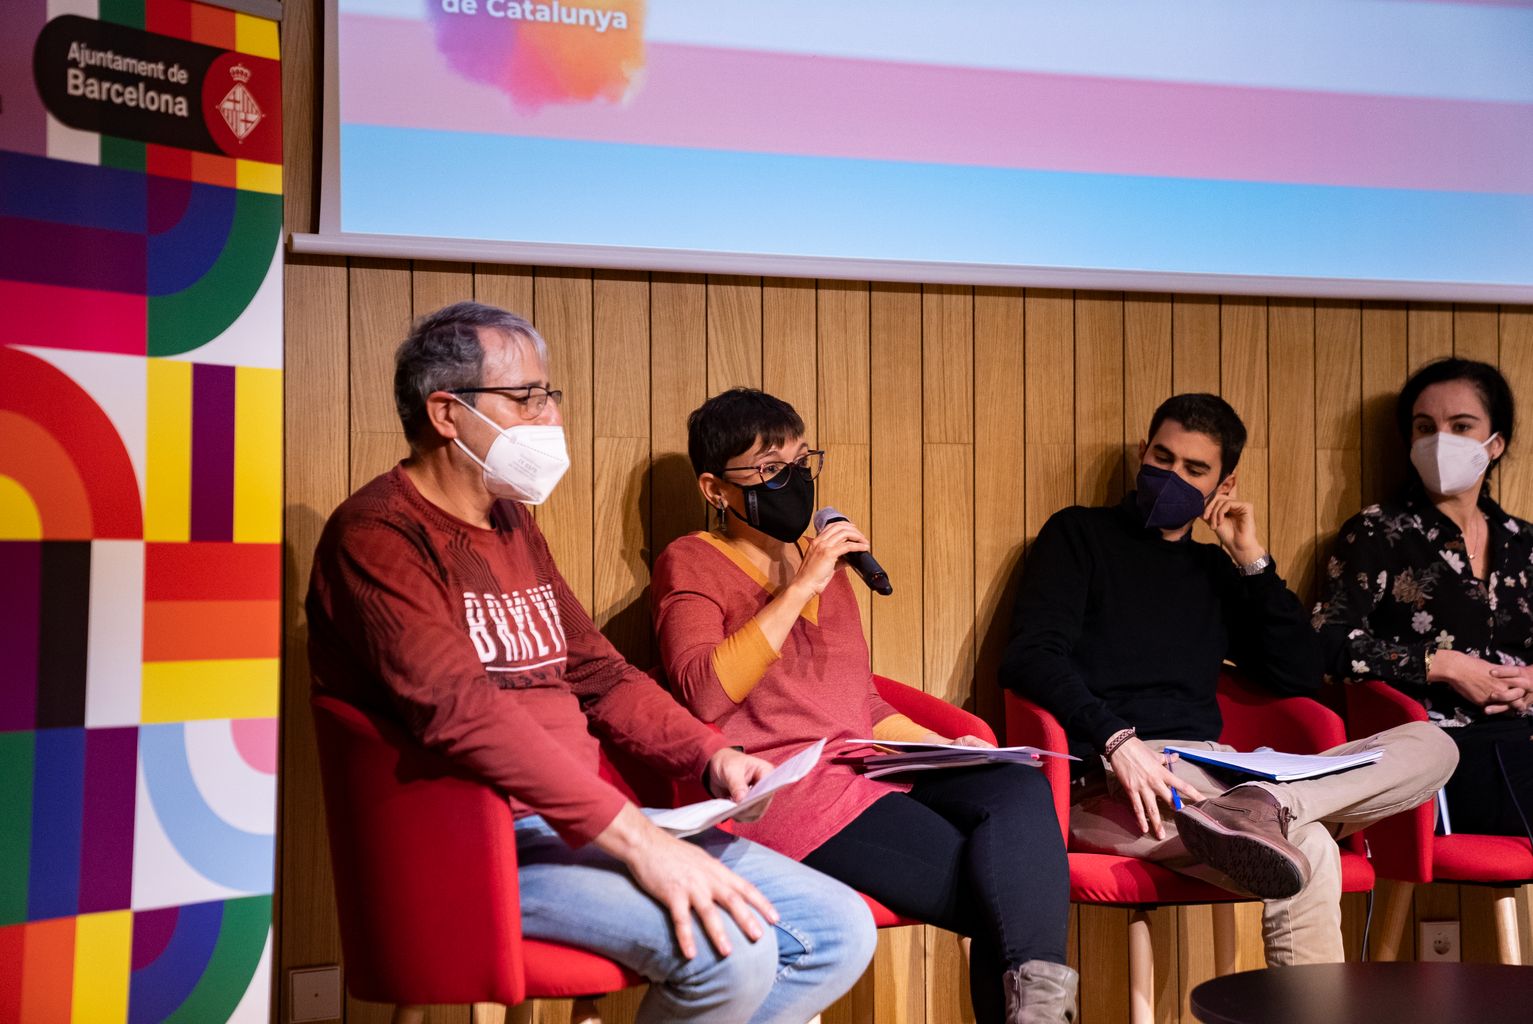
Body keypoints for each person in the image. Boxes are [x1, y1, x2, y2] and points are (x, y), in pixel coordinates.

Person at [306, 303, 875, 1024]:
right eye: (526, 398)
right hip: (478, 842)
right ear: (447, 414)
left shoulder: (511, 522)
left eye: (549, 395)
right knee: (730, 954)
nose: (550, 417)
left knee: (838, 932)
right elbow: (462, 715)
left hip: (578, 828)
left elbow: (599, 674)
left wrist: (712, 756)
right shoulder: (378, 534)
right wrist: (636, 840)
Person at [651, 388, 1076, 1024]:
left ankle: (1036, 1012)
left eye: (801, 461)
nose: (794, 480)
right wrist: (803, 585)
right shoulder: (691, 561)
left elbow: (861, 701)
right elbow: (702, 690)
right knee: (1010, 892)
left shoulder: (822, 563)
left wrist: (941, 746)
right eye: (770, 469)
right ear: (715, 489)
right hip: (791, 790)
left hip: (871, 767)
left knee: (1016, 785)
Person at [1003, 392, 1457, 966]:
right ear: (1143, 451)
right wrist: (1117, 739)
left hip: (1224, 774)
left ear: (1224, 485)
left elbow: (1298, 673)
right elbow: (1031, 656)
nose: (1172, 477)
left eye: (1194, 469)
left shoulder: (1216, 572)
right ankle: (1265, 817)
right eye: (1162, 458)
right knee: (1309, 846)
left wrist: (1252, 560)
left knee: (1433, 744)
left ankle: (1266, 803)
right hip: (1117, 779)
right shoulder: (1079, 535)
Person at [1315, 358, 1533, 838]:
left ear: (1496, 443)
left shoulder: (1524, 542)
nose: (1440, 441)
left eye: (1461, 426)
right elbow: (1327, 643)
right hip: (1439, 750)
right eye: (1425, 427)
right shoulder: (1378, 531)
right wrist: (1443, 665)